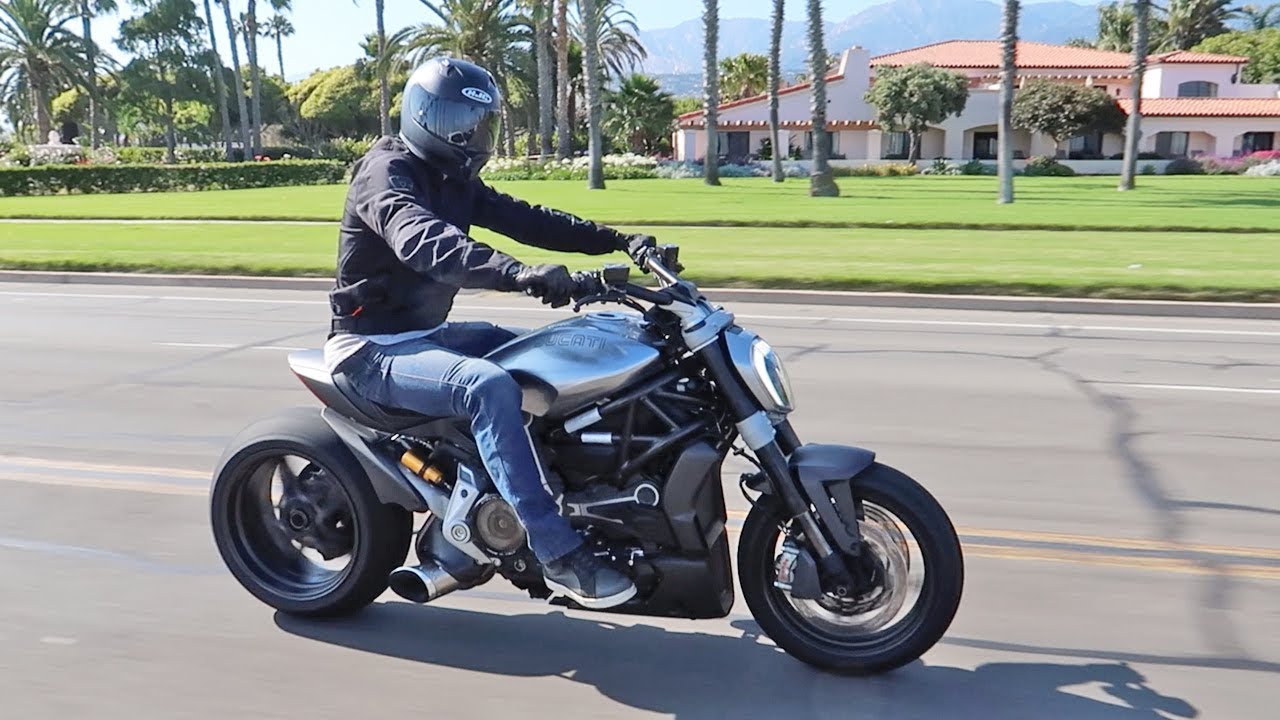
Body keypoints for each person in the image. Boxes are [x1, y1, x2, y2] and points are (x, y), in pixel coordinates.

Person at [324, 56, 655, 610]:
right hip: (370, 351)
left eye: (478, 124)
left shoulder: (456, 181)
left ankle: (575, 491)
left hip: (428, 336)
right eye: (456, 122)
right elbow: (424, 241)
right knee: (488, 386)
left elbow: (528, 218)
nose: (470, 137)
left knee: (558, 351)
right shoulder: (386, 174)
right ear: (420, 116)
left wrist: (618, 240)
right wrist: (516, 272)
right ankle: (557, 551)